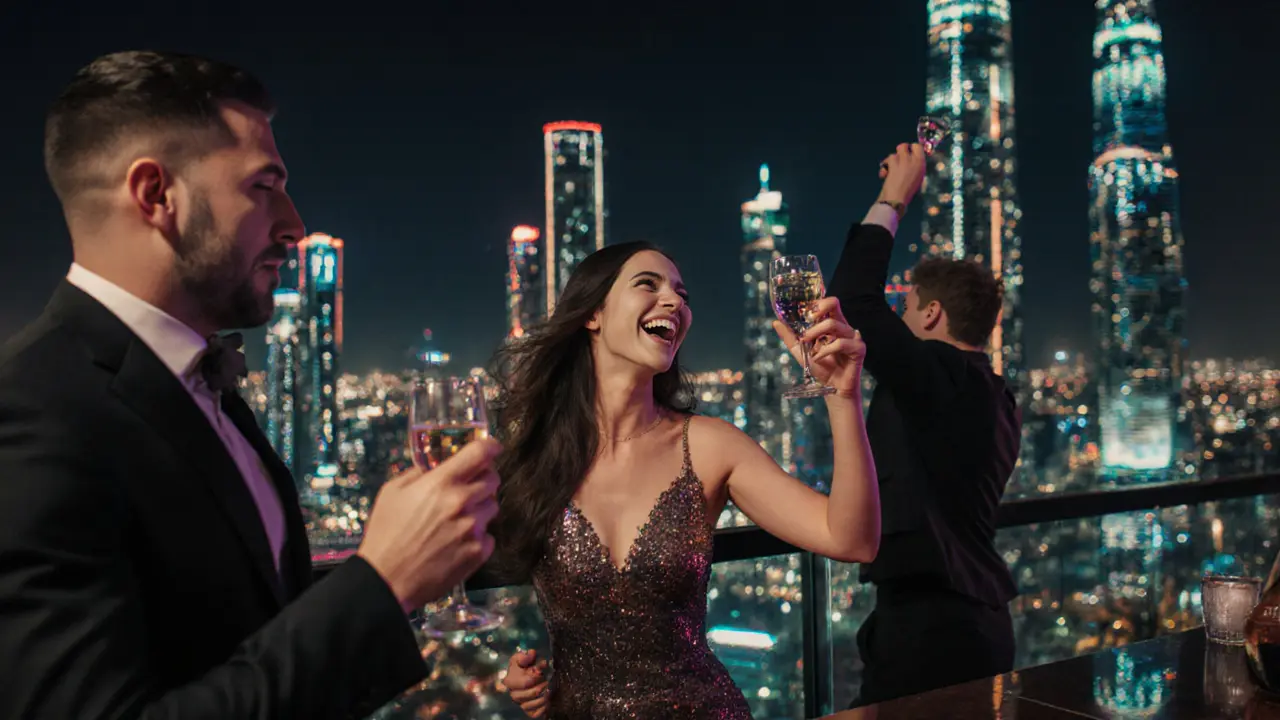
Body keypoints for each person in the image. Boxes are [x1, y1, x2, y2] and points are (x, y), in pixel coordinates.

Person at [0, 50, 501, 719]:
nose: (293, 223)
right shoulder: (31, 416)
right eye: (264, 187)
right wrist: (381, 583)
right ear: (157, 195)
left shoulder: (202, 384)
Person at [493, 241, 881, 717]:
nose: (675, 301)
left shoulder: (709, 447)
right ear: (592, 314)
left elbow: (853, 540)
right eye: (647, 284)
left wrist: (843, 397)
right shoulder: (533, 458)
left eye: (682, 292)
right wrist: (520, 675)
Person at [828, 143, 1022, 706]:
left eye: (907, 309)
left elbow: (851, 301)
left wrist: (894, 198)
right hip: (971, 620)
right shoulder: (991, 391)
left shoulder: (941, 373)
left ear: (932, 314)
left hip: (935, 630)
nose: (901, 322)